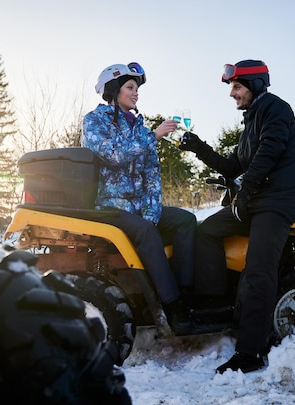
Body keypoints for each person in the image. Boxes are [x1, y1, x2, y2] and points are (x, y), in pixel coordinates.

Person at [178, 59, 295, 373]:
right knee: (207, 231)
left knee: (258, 269)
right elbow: (231, 165)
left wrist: (247, 188)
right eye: (231, 87)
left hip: (276, 202)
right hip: (254, 200)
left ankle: (250, 353)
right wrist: (198, 147)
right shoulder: (250, 122)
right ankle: (214, 302)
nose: (232, 93)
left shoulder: (276, 108)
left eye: (236, 86)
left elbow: (271, 150)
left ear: (256, 84)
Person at [81, 62, 196, 334]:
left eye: (137, 89)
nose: (136, 93)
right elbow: (114, 155)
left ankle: (187, 294)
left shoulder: (139, 126)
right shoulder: (95, 121)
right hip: (110, 207)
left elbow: (151, 176)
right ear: (113, 90)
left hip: (139, 208)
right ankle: (173, 307)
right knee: (145, 231)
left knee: (186, 221)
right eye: (130, 88)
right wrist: (153, 136)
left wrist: (152, 212)